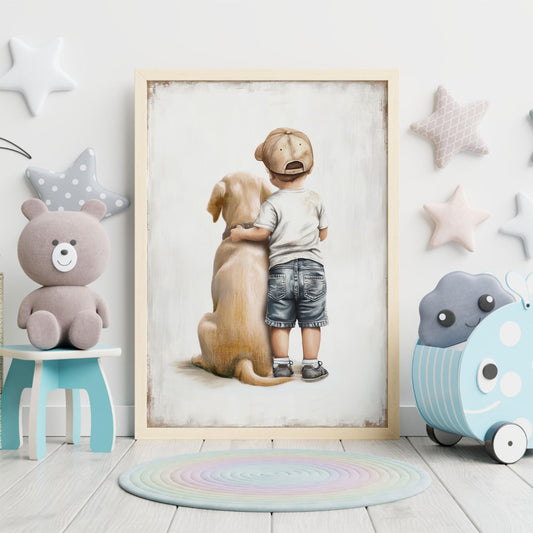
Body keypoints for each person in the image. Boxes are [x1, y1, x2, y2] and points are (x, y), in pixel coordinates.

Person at [231, 128, 329, 381]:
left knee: (280, 321)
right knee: (311, 321)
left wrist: (241, 234)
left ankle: (282, 365)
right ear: (310, 168)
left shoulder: (272, 203)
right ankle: (311, 366)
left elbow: (262, 233)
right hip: (313, 269)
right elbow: (323, 234)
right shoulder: (315, 199)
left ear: (271, 175)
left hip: (281, 270)